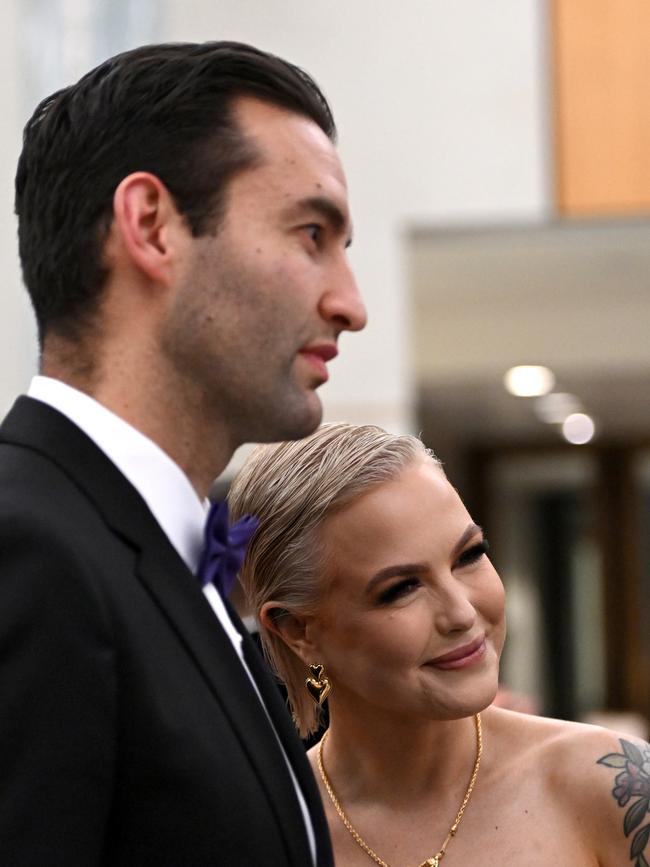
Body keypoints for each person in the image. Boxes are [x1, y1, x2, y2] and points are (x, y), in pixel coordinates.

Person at [1, 42, 366, 866]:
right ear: (152, 227)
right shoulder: (29, 551)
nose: (351, 303)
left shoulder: (169, 551)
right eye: (312, 233)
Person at [228, 423, 650, 867]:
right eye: (401, 588)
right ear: (297, 629)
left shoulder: (614, 787)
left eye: (470, 555)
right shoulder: (260, 835)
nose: (462, 613)